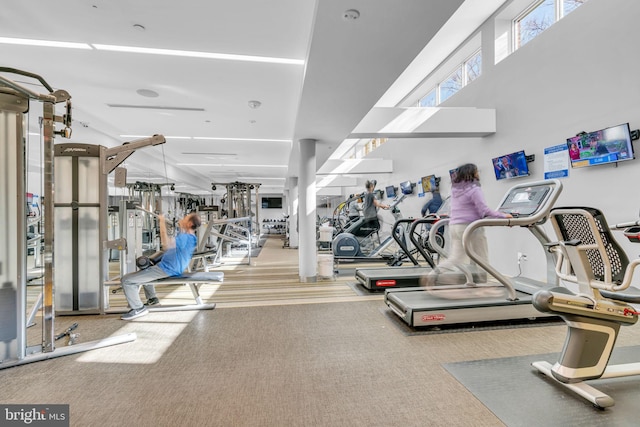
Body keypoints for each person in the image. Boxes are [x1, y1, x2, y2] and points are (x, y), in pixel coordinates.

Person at [426, 163, 512, 284]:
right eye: (477, 171)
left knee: (456, 257)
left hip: (454, 226)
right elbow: (484, 210)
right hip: (470, 227)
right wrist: (504, 216)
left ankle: (433, 274)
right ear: (472, 173)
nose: (478, 174)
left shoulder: (455, 189)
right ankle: (483, 284)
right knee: (481, 257)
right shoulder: (474, 189)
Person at [120, 212, 201, 320]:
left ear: (190, 223)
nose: (182, 219)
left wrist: (161, 222)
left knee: (126, 280)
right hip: (169, 267)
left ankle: (138, 308)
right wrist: (181, 227)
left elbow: (166, 245)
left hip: (167, 269)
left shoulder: (186, 237)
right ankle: (152, 299)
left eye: (185, 218)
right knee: (145, 269)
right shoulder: (189, 236)